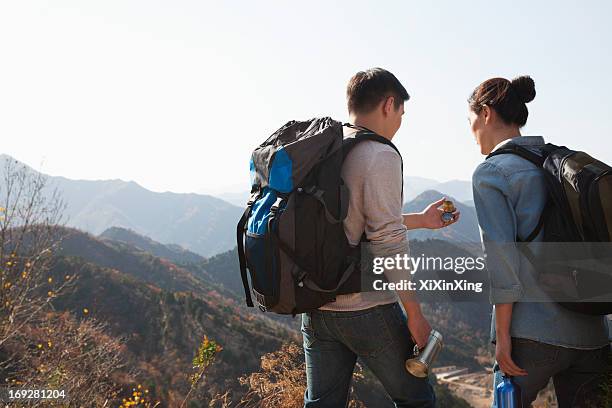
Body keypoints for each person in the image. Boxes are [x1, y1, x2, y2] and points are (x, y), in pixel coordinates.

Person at [302, 67, 460, 408]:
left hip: (315, 306)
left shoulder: (324, 149)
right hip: (366, 307)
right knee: (416, 399)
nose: (400, 121)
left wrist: (421, 220)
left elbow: (348, 224)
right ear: (389, 104)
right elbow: (387, 240)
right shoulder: (380, 154)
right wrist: (414, 315)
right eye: (402, 112)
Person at [468, 75, 611, 407]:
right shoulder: (564, 165)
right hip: (593, 332)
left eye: (471, 120)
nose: (471, 131)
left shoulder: (492, 173)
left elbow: (502, 265)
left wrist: (502, 338)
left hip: (532, 334)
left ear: (486, 113)